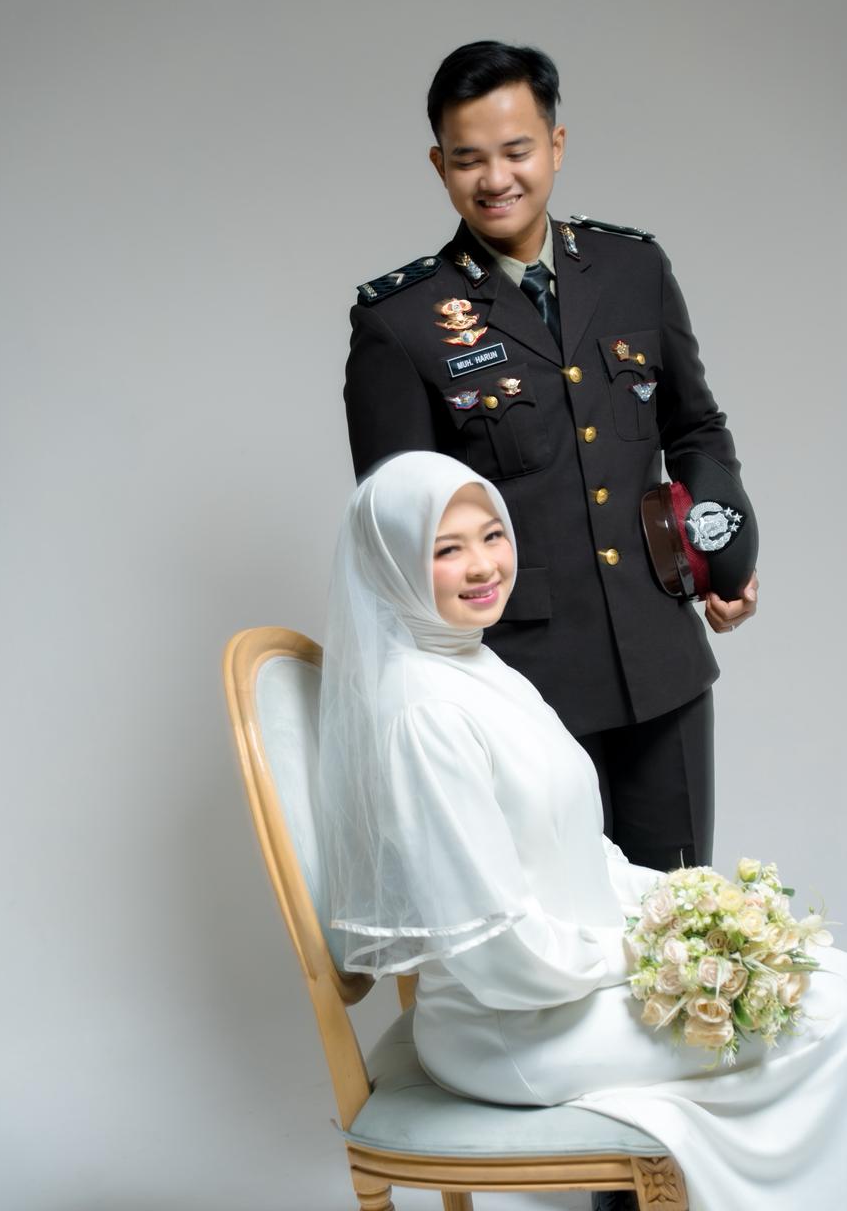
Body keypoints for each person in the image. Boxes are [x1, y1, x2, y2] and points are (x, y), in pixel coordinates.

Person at [318, 450, 845, 1211]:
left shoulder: (480, 667)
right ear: (393, 564)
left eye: (492, 535)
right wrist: (650, 955)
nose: (483, 565)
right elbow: (499, 954)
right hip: (512, 1027)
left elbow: (578, 849)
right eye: (446, 549)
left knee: (824, 972)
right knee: (823, 1013)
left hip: (567, 986)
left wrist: (690, 911)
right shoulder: (424, 714)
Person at [344, 40, 758, 875]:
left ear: (556, 147)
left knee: (681, 917)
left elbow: (696, 427)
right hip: (515, 684)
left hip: (661, 666)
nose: (495, 178)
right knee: (558, 925)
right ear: (440, 166)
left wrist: (724, 552)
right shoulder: (403, 322)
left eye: (517, 151)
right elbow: (401, 525)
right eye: (469, 159)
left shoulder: (633, 269)